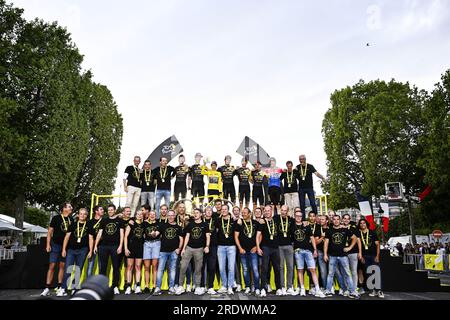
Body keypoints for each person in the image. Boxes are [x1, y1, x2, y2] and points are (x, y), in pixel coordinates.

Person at [41, 202, 74, 297]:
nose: (71, 208)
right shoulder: (56, 218)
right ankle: (47, 287)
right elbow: (49, 231)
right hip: (55, 245)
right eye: (69, 206)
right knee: (52, 265)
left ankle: (60, 287)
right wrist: (48, 244)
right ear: (64, 208)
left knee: (62, 266)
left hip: (67, 246)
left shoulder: (71, 219)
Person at [175, 208, 211, 295]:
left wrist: (207, 246)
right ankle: (180, 286)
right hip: (189, 248)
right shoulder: (190, 224)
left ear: (201, 214)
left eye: (197, 213)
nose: (195, 214)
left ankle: (198, 287)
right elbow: (187, 236)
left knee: (198, 269)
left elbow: (208, 237)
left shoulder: (205, 224)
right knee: (183, 266)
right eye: (194, 213)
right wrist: (183, 248)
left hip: (199, 249)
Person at [323, 215, 359, 299]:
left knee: (347, 274)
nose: (336, 221)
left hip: (343, 256)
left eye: (337, 219)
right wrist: (325, 254)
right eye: (334, 219)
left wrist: (349, 247)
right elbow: (326, 243)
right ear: (332, 221)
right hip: (332, 256)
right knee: (330, 274)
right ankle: (328, 291)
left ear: (340, 221)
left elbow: (355, 238)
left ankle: (352, 292)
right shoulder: (329, 230)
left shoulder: (345, 229)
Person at [291, 210, 325, 298]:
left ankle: (317, 289)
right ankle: (302, 288)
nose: (298, 217)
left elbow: (312, 238)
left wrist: (314, 249)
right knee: (300, 270)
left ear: (302, 217)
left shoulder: (307, 225)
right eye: (297, 216)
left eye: (300, 216)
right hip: (298, 251)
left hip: (308, 251)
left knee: (313, 269)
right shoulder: (291, 226)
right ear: (295, 216)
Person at [94, 203, 124, 295]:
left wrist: (120, 246)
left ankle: (115, 286)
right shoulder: (104, 220)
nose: (110, 211)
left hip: (115, 246)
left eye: (112, 210)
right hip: (103, 246)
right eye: (109, 210)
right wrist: (96, 245)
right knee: (103, 267)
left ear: (115, 211)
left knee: (116, 267)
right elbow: (100, 233)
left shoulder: (120, 220)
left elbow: (122, 234)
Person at [60, 208, 90, 296]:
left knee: (78, 269)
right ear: (78, 215)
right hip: (71, 250)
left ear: (86, 216)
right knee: (67, 269)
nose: (82, 215)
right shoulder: (72, 225)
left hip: (83, 250)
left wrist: (91, 250)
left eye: (84, 214)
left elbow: (91, 238)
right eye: (81, 214)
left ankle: (74, 288)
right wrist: (63, 249)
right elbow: (67, 237)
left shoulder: (88, 225)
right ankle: (63, 288)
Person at [153, 210, 184, 295]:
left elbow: (181, 239)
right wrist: (153, 234)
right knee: (160, 269)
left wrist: (179, 248)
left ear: (174, 216)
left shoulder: (178, 227)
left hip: (174, 251)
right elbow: (156, 233)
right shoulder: (163, 225)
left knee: (172, 270)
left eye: (172, 215)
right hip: (163, 251)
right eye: (169, 215)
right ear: (167, 216)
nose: (170, 217)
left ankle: (171, 287)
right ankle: (158, 287)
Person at [256, 205, 282, 297]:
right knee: (264, 269)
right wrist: (258, 247)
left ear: (271, 211)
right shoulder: (262, 222)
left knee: (277, 268)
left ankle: (278, 288)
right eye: (265, 211)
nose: (267, 212)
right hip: (265, 247)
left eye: (268, 210)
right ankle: (263, 288)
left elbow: (286, 214)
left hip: (275, 248)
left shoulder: (277, 219)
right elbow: (258, 235)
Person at [235, 207, 260, 295]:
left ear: (250, 213)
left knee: (255, 269)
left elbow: (260, 236)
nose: (243, 214)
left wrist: (257, 247)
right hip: (243, 250)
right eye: (243, 213)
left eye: (245, 212)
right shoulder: (240, 223)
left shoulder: (256, 223)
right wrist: (240, 248)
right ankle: (248, 287)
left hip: (253, 250)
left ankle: (257, 287)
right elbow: (236, 237)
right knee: (245, 269)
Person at [357, 218, 384, 298]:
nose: (362, 224)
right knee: (369, 273)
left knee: (376, 273)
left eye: (364, 223)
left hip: (373, 256)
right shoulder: (358, 234)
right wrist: (361, 256)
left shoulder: (372, 232)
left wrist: (377, 256)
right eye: (361, 223)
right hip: (364, 256)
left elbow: (377, 245)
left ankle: (379, 291)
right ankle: (372, 290)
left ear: (366, 224)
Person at [274, 205, 295, 295]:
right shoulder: (276, 218)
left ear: (288, 211)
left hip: (289, 246)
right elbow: (266, 218)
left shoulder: (291, 220)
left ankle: (289, 287)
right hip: (279, 246)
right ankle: (282, 287)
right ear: (280, 210)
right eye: (282, 210)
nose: (283, 212)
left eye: (285, 210)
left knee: (290, 267)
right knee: (281, 267)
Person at [216, 204, 237, 294]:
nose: (224, 210)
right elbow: (216, 231)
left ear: (229, 210)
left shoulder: (233, 220)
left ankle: (230, 287)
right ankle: (224, 285)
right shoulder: (217, 220)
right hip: (220, 247)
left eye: (225, 209)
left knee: (231, 268)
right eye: (222, 209)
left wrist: (235, 216)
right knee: (221, 268)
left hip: (231, 247)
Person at [124, 209, 145, 294]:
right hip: (131, 248)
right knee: (129, 267)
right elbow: (125, 237)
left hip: (140, 248)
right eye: (138, 214)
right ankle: (128, 286)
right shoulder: (131, 224)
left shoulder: (144, 225)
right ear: (135, 215)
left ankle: (138, 286)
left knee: (138, 267)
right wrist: (125, 248)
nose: (139, 215)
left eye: (141, 214)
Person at [201, 206, 219, 294]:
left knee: (212, 267)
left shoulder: (216, 220)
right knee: (201, 267)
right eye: (207, 210)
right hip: (202, 246)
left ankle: (210, 287)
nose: (208, 212)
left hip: (213, 246)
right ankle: (202, 286)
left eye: (210, 211)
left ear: (212, 212)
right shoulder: (200, 221)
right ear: (204, 212)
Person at [342, 213, 361, 294]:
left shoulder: (354, 228)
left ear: (350, 220)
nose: (346, 220)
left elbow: (358, 240)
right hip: (343, 253)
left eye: (347, 219)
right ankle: (347, 288)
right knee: (345, 271)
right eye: (344, 218)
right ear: (342, 219)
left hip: (353, 252)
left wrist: (360, 252)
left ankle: (354, 288)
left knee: (353, 271)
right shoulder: (340, 228)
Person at [143, 210, 160, 293]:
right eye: (151, 214)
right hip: (146, 244)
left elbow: (156, 234)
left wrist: (153, 234)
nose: (152, 215)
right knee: (146, 267)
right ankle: (146, 286)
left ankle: (154, 286)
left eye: (154, 214)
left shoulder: (158, 223)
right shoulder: (144, 223)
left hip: (156, 244)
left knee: (154, 266)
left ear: (156, 215)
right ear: (148, 215)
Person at [86, 205, 104, 277]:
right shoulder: (90, 222)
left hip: (102, 246)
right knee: (90, 266)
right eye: (101, 209)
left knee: (101, 266)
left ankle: (99, 284)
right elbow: (90, 236)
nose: (103, 211)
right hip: (92, 245)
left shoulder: (105, 220)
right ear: (96, 211)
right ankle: (88, 285)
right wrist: (91, 248)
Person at [313, 214, 328, 290]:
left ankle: (329, 287)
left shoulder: (330, 228)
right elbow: (315, 242)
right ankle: (325, 287)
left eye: (323, 219)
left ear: (326, 221)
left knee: (333, 271)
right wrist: (322, 237)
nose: (321, 220)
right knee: (323, 270)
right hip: (320, 251)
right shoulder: (318, 228)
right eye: (320, 219)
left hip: (331, 252)